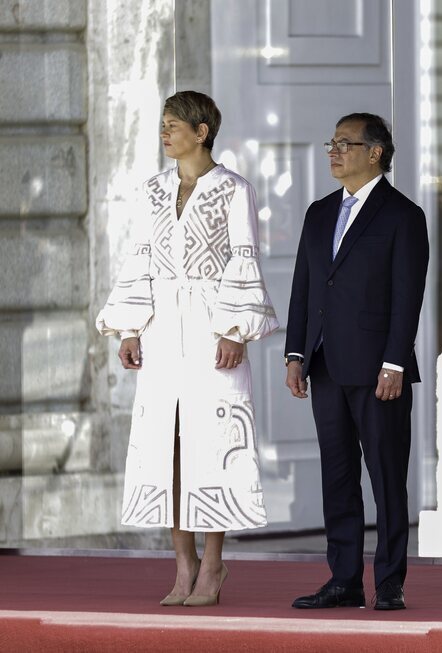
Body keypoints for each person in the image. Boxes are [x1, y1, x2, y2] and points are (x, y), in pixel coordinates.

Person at [96, 90, 279, 607]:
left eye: (174, 124)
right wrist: (130, 328)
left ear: (201, 132)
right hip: (159, 329)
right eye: (163, 123)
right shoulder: (151, 190)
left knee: (211, 443)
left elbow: (245, 259)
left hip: (211, 327)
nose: (165, 132)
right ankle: (183, 564)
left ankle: (214, 565)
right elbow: (140, 259)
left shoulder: (234, 190)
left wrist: (233, 331)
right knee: (166, 446)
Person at [285, 113, 428, 611]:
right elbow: (305, 287)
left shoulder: (403, 216)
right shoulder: (318, 213)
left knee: (387, 478)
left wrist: (393, 362)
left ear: (376, 152)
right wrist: (296, 353)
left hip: (378, 371)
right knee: (338, 477)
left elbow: (407, 297)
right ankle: (344, 579)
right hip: (325, 367)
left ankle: (389, 582)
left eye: (346, 143)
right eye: (333, 143)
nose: (334, 151)